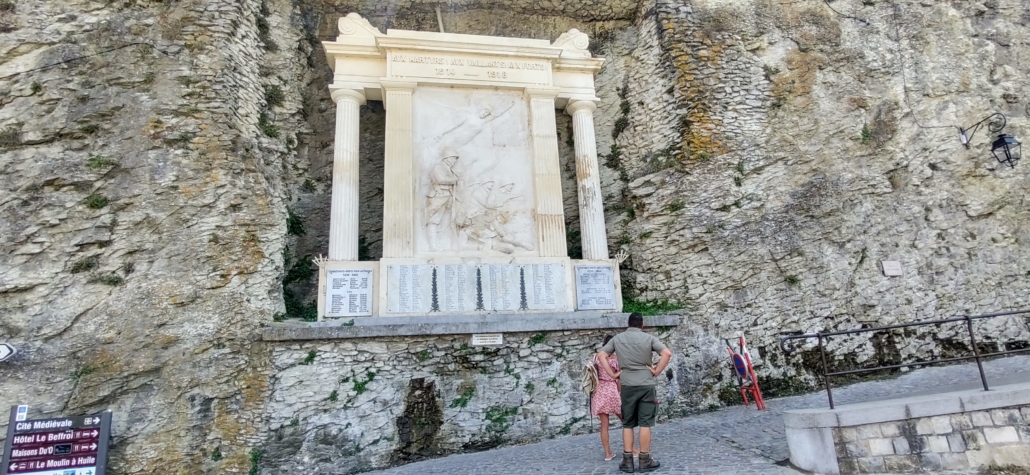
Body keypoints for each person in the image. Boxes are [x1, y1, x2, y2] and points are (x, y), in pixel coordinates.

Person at [597, 312, 673, 473]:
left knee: (628, 423)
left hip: (627, 385)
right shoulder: (649, 338)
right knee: (645, 423)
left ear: (628, 324)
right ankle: (645, 460)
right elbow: (667, 353)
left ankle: (627, 461)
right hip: (646, 384)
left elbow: (601, 355)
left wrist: (612, 374)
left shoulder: (618, 339)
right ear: (642, 325)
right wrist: (656, 371)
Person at [592, 335, 622, 461]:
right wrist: (619, 392)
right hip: (611, 389)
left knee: (604, 425)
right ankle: (633, 449)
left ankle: (608, 454)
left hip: (599, 390)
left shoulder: (596, 358)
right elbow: (618, 379)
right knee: (626, 421)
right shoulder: (616, 359)